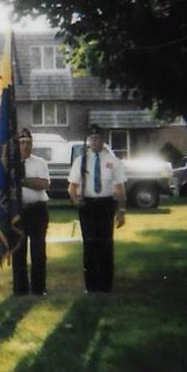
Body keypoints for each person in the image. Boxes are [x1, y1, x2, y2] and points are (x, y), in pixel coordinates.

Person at [68, 124, 127, 293]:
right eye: (92, 138)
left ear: (104, 140)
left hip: (106, 204)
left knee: (106, 244)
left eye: (98, 138)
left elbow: (120, 188)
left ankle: (105, 285)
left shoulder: (112, 161)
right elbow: (72, 187)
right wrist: (75, 200)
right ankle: (91, 285)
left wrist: (121, 211)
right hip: (87, 205)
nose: (95, 141)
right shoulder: (81, 160)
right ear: (88, 141)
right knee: (89, 244)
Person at [12, 128, 50, 296]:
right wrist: (29, 182)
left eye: (28, 143)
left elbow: (43, 184)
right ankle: (20, 289)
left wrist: (21, 181)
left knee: (38, 250)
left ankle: (39, 288)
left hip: (37, 210)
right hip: (18, 211)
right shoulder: (11, 164)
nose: (25, 146)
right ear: (17, 144)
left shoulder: (40, 162)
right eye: (21, 143)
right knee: (18, 251)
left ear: (32, 144)